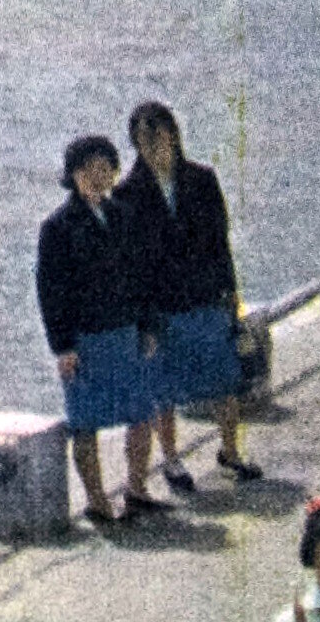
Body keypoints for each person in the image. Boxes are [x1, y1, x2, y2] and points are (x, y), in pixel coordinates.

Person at [114, 100, 256, 491]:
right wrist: (142, 319)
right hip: (162, 307)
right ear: (136, 145)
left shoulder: (202, 180)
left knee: (224, 380)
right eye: (145, 141)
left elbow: (220, 242)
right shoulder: (127, 195)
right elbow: (129, 265)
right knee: (165, 390)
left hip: (206, 296)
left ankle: (231, 450)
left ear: (174, 136)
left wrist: (230, 291)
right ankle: (172, 459)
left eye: (160, 136)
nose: (154, 146)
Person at [33, 133, 160, 528]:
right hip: (86, 340)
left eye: (105, 169)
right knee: (86, 422)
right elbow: (50, 291)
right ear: (72, 175)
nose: (97, 177)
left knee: (141, 414)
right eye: (88, 170)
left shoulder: (123, 215)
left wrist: (148, 325)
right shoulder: (57, 227)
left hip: (125, 332)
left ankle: (136, 488)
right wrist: (63, 346)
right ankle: (97, 499)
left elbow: (142, 275)